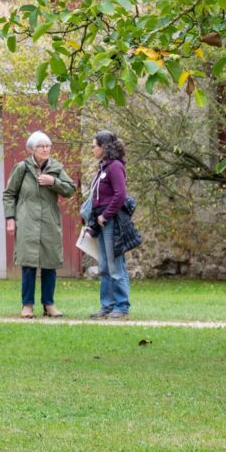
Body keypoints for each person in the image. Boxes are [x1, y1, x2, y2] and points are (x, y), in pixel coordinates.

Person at [2, 130, 78, 318]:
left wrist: (53, 182)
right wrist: (10, 219)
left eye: (47, 146)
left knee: (49, 263)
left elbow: (70, 190)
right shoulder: (22, 168)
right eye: (41, 146)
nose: (45, 149)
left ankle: (49, 304)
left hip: (49, 221)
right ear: (32, 150)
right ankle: (27, 305)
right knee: (28, 264)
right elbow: (9, 194)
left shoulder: (57, 168)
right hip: (27, 221)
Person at [88, 130, 134, 319]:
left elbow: (120, 195)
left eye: (94, 146)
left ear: (104, 147)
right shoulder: (103, 167)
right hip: (101, 222)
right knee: (105, 266)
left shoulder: (115, 167)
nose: (92, 149)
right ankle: (107, 306)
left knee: (115, 265)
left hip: (111, 221)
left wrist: (106, 215)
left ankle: (122, 306)